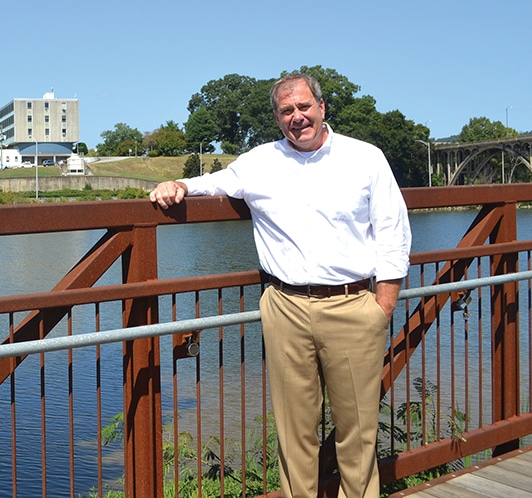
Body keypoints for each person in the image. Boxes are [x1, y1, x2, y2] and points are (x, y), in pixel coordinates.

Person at [150, 73, 411, 498]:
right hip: (285, 307)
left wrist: (381, 307)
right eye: (287, 111)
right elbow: (214, 183)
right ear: (276, 117)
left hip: (351, 306)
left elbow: (393, 234)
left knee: (358, 432)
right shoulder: (260, 162)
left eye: (305, 107)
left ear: (322, 108)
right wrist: (177, 185)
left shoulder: (365, 158)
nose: (298, 117)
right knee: (294, 434)